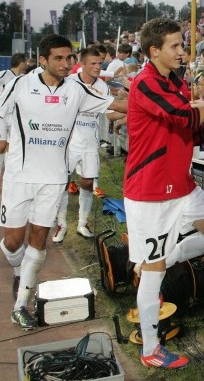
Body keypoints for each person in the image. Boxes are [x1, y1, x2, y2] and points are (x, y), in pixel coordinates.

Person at [124, 19, 204, 369]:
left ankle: (157, 261)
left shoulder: (172, 82)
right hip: (150, 193)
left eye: (181, 44)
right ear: (153, 50)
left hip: (181, 187)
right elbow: (186, 119)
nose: (182, 52)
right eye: (174, 46)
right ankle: (150, 349)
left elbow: (195, 131)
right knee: (154, 272)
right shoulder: (145, 82)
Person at [0, 35, 127, 330]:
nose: (65, 63)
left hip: (54, 178)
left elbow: (118, 105)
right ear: (42, 59)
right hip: (19, 177)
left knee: (38, 239)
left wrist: (165, 107)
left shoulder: (77, 90)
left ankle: (22, 304)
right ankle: (20, 270)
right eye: (58, 58)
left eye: (69, 58)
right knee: (13, 241)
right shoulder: (19, 85)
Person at [54, 48, 125, 242]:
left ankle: (82, 223)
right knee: (63, 182)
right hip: (69, 141)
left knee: (87, 183)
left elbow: (109, 114)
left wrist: (127, 115)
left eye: (99, 63)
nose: (97, 67)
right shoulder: (69, 82)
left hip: (90, 142)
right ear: (82, 64)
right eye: (92, 63)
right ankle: (61, 224)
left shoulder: (102, 87)